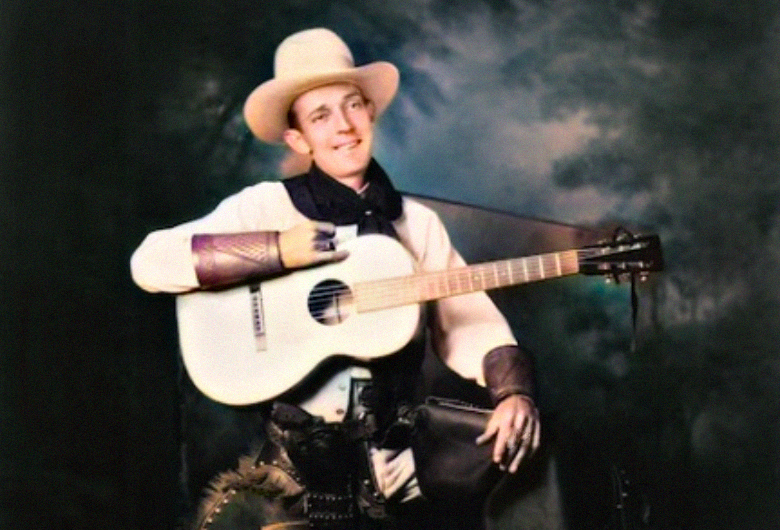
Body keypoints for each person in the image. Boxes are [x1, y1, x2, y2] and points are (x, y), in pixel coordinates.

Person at [131, 28, 540, 530]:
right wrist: (276, 250)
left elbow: (472, 324)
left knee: (531, 469)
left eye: (353, 106)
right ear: (298, 138)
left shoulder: (416, 223)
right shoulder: (266, 206)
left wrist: (513, 393)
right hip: (295, 475)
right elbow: (150, 262)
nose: (344, 127)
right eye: (321, 116)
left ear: (371, 113)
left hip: (395, 473)